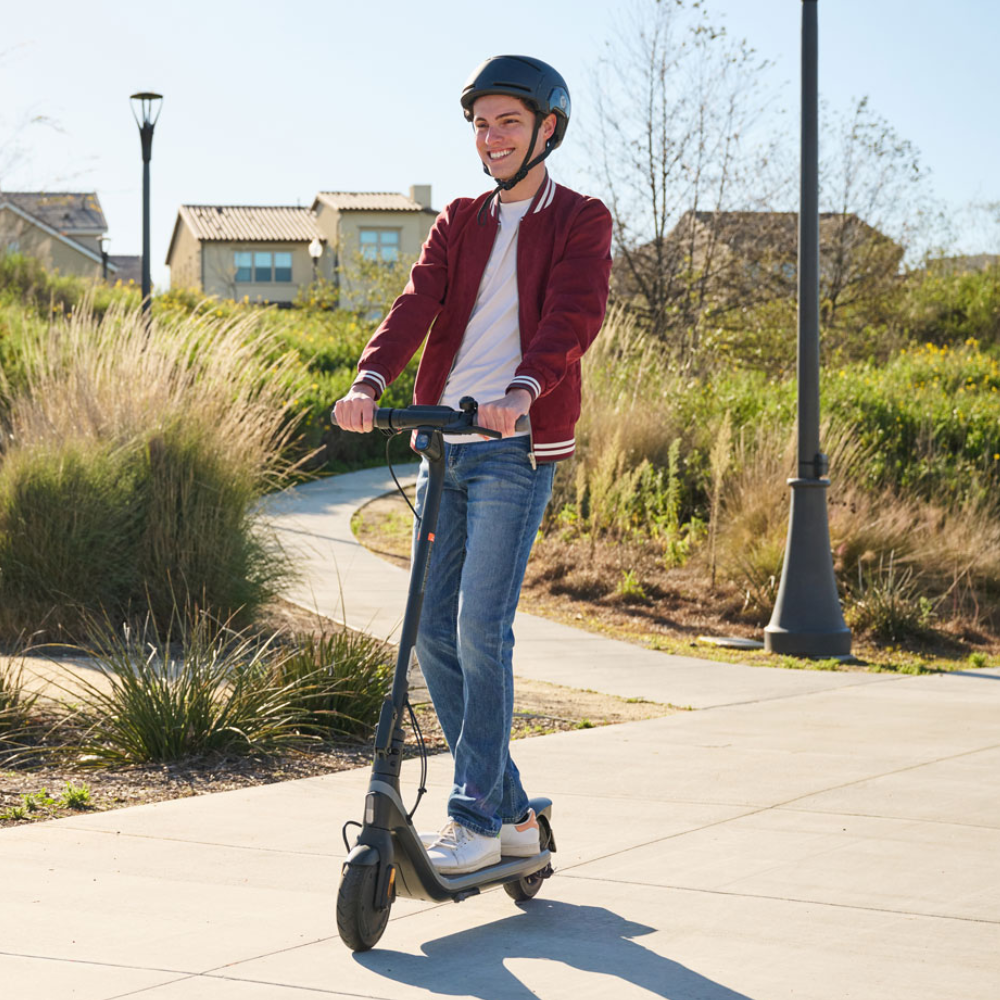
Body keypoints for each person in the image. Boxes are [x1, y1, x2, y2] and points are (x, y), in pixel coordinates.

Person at [333, 54, 612, 874]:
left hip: (513, 450)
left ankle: (479, 815)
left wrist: (523, 390)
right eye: (482, 124)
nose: (491, 138)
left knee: (479, 629)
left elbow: (574, 315)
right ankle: (518, 813)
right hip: (444, 450)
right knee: (430, 633)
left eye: (509, 123)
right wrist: (369, 380)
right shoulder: (458, 218)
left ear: (547, 130)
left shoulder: (581, 219)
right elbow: (416, 300)